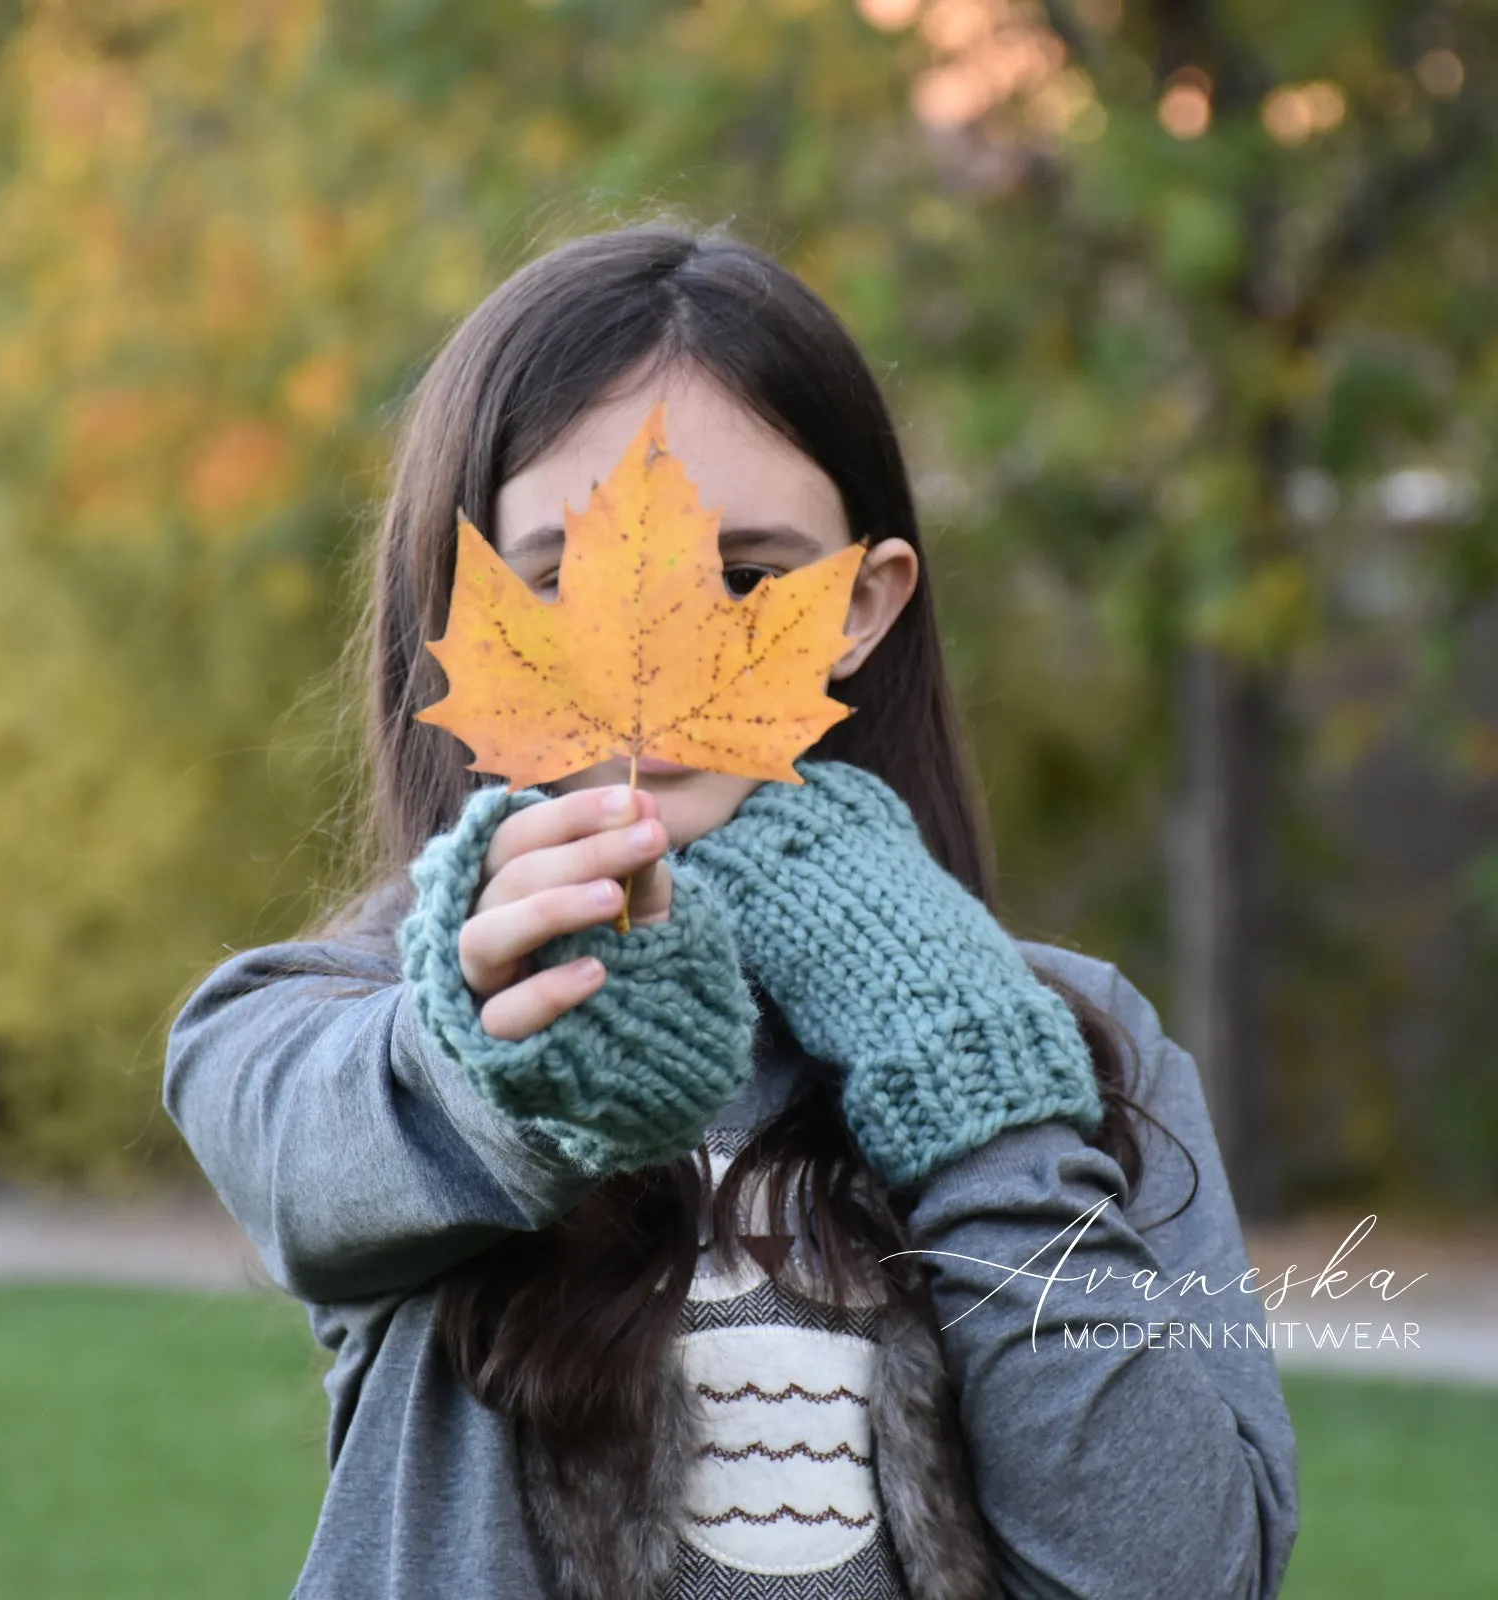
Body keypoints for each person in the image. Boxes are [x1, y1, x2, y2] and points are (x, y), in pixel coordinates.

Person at [164, 220, 1300, 1600]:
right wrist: (508, 1047)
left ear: (865, 607)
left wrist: (968, 1072)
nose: (657, 659)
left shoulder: (1083, 1039)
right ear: (456, 609)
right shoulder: (337, 1023)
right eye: (558, 578)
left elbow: (1187, 1570)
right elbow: (314, 1149)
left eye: (752, 578)